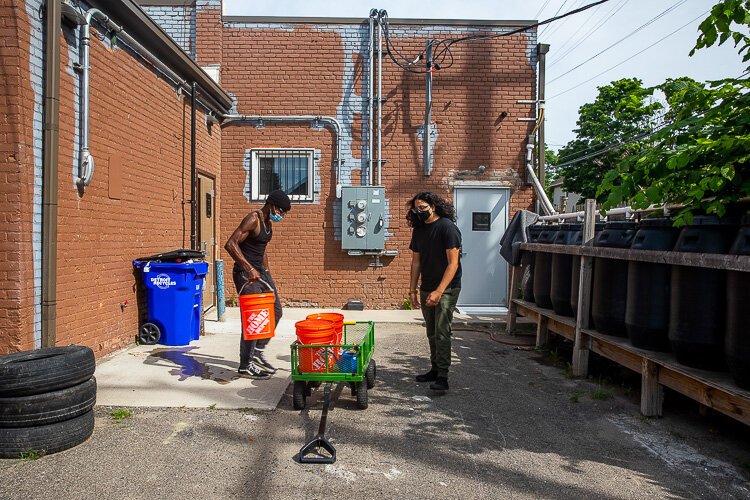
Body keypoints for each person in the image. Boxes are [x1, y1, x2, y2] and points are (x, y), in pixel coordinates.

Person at [224, 189, 291, 379]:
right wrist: (248, 268)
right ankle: (245, 365)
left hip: (260, 273)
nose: (282, 215)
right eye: (281, 211)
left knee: (276, 311)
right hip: (245, 275)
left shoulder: (268, 224)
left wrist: (267, 273)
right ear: (271, 205)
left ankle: (259, 349)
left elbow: (261, 250)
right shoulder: (253, 219)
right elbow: (230, 244)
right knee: (253, 319)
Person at [407, 191, 462, 392]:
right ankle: (435, 368)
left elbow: (453, 264)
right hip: (427, 287)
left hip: (447, 288)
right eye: (416, 208)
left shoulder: (447, 228)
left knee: (441, 331)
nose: (419, 211)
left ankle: (443, 376)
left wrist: (439, 291)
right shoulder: (419, 230)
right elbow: (416, 262)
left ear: (434, 207)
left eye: (423, 208)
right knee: (431, 331)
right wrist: (413, 290)